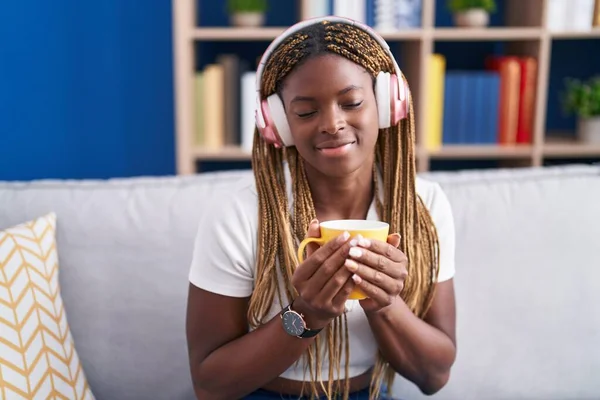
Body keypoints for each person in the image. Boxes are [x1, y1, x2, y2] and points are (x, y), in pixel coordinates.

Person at [186, 16, 457, 400]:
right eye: (306, 112)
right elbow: (209, 385)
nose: (332, 124)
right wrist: (308, 313)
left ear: (386, 103)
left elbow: (435, 376)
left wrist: (384, 304)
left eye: (352, 102)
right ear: (277, 124)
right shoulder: (240, 213)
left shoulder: (422, 204)